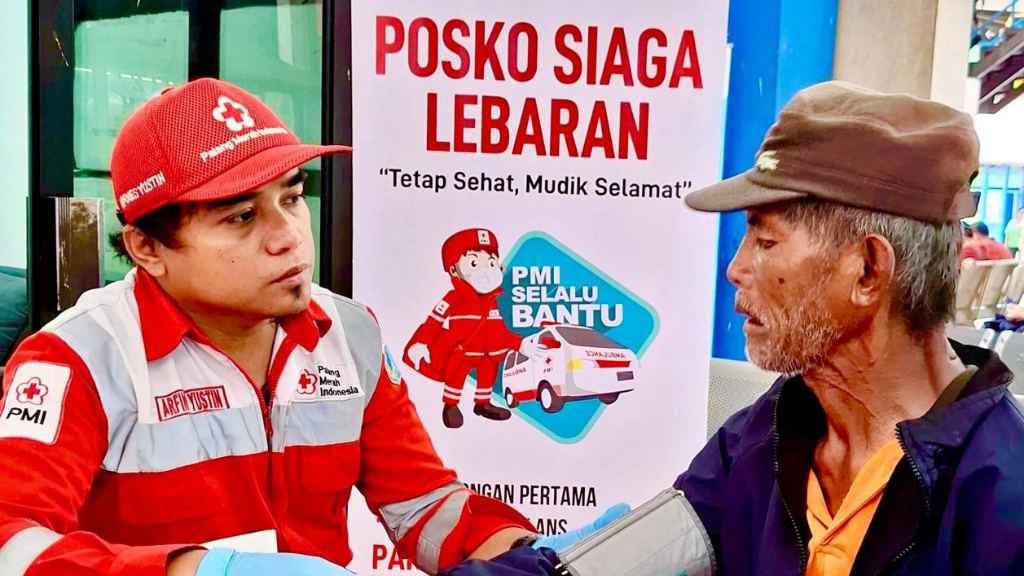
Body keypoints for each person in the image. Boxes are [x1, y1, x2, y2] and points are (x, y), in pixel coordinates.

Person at [0, 79, 622, 576]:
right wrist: (196, 569)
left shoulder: (349, 333)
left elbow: (425, 506)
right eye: (242, 217)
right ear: (148, 248)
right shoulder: (78, 359)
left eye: (293, 198)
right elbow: (12, 543)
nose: (289, 237)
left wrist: (533, 556)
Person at [438, 82, 1024, 576]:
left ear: (867, 270)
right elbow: (598, 568)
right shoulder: (764, 438)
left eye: (765, 241)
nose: (736, 269)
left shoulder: (1003, 494)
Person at [404, 229, 540, 428]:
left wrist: (520, 344)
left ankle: (483, 404)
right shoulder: (453, 298)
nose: (486, 271)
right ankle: (451, 405)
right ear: (454, 270)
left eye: (491, 263)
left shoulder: (493, 301)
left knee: (488, 372)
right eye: (474, 263)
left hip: (488, 352)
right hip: (462, 351)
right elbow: (434, 321)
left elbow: (500, 331)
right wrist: (421, 343)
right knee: (456, 374)